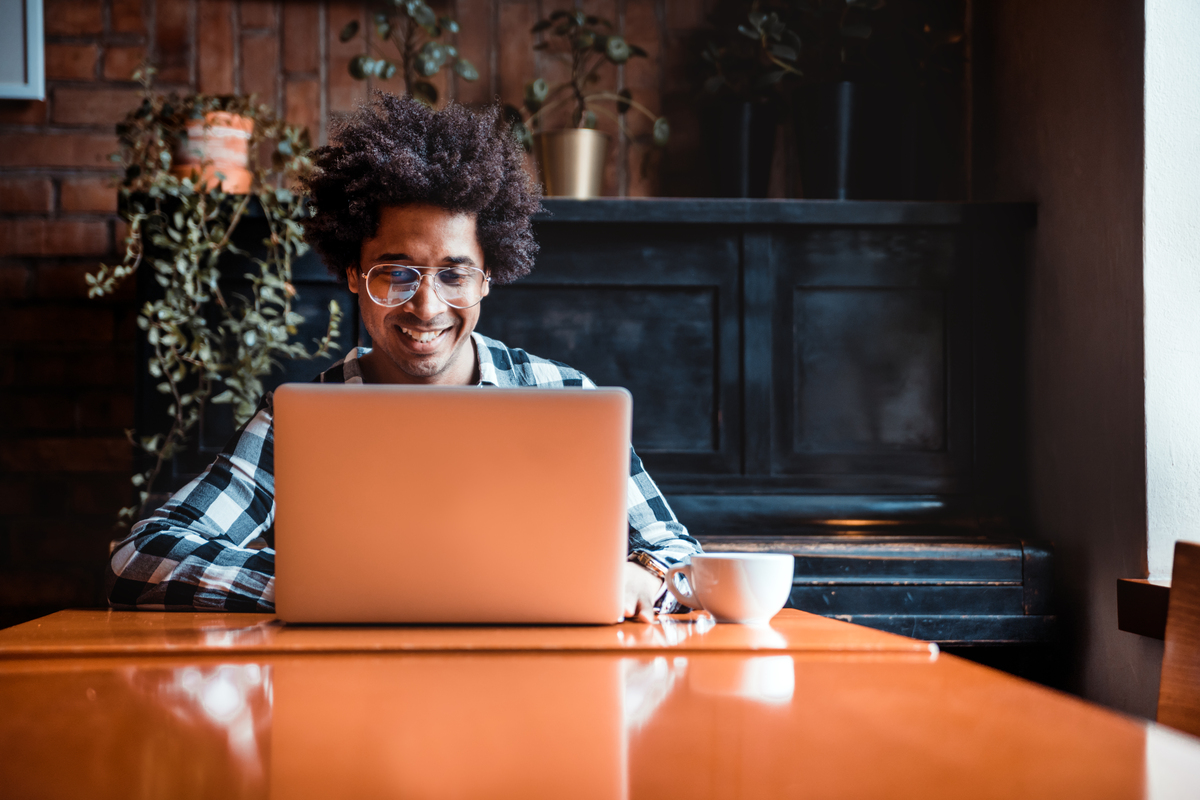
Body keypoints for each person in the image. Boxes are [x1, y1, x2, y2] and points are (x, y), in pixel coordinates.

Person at [106, 92, 702, 621]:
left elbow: (680, 553)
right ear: (352, 275)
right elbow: (141, 554)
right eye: (396, 273)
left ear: (487, 279)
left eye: (454, 275)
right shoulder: (300, 422)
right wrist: (310, 587)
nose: (426, 306)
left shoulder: (563, 397)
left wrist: (644, 576)